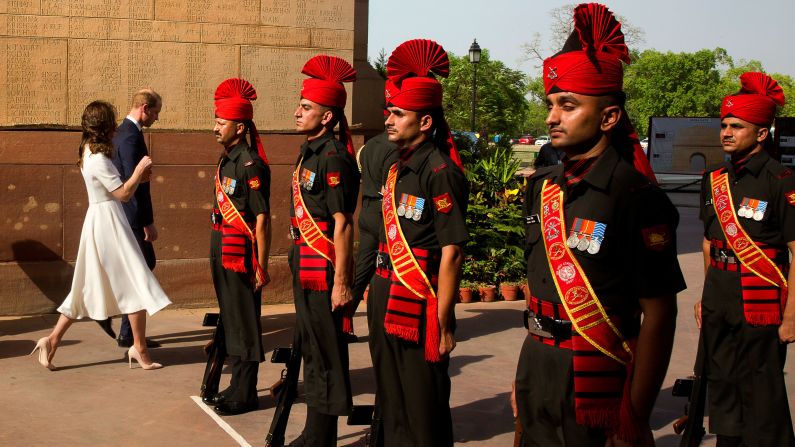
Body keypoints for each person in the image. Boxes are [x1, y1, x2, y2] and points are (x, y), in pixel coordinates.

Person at [511, 4, 686, 446]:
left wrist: (635, 413)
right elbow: (537, 284)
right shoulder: (542, 186)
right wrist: (524, 376)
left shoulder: (636, 198)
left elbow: (660, 313)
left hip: (598, 369)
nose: (551, 117)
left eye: (567, 106)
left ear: (608, 117)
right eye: (550, 104)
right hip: (538, 363)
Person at [368, 38, 469, 447]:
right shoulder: (397, 166)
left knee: (422, 402)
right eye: (388, 111)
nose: (389, 119)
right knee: (391, 396)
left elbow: (452, 250)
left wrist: (443, 320)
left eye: (398, 113)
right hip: (388, 291)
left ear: (425, 122)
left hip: (421, 298)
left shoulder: (440, 171)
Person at [30, 100, 171, 371]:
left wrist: (135, 179)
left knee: (86, 287)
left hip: (102, 221)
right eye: (112, 121)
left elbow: (115, 189)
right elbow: (122, 194)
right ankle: (139, 349)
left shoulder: (88, 152)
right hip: (109, 224)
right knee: (136, 280)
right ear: (104, 126)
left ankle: (52, 340)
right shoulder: (96, 157)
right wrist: (139, 172)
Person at [694, 72, 795, 447]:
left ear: (762, 133)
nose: (727, 132)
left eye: (737, 126)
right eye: (724, 125)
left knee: (762, 389)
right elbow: (708, 243)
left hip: (760, 298)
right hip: (720, 293)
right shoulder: (714, 179)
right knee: (721, 383)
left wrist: (791, 316)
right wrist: (706, 297)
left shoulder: (782, 180)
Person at [288, 55, 359, 446]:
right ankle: (315, 431)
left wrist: (341, 283)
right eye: (300, 105)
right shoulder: (310, 152)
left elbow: (343, 223)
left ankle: (322, 435)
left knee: (327, 350)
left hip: (325, 268)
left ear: (328, 116)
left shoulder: (333, 157)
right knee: (313, 348)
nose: (297, 113)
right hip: (305, 261)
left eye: (307, 108)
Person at [203, 78, 272, 416]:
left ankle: (246, 392)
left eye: (221, 121)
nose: (215, 127)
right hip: (222, 247)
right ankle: (236, 384)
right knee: (231, 319)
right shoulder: (227, 159)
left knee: (244, 322)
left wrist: (261, 264)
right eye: (216, 120)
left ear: (240, 126)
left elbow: (261, 219)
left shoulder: (250, 164)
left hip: (241, 255)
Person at [100, 88, 163, 349]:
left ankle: (126, 330)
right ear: (145, 108)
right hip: (130, 215)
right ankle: (106, 316)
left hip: (128, 213)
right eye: (156, 112)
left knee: (141, 266)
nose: (157, 119)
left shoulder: (126, 132)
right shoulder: (128, 136)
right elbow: (133, 183)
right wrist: (146, 221)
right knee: (143, 264)